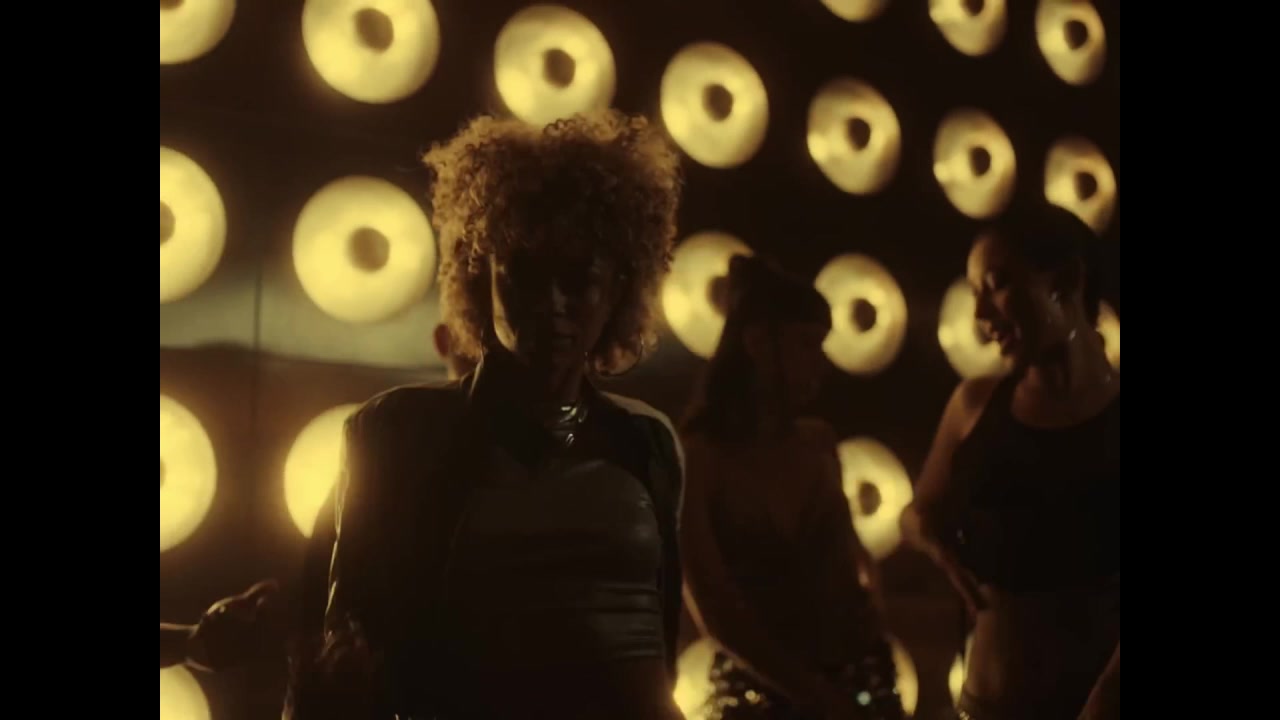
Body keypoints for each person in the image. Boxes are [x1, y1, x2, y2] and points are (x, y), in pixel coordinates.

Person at [314, 110, 685, 719]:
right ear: (478, 272)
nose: (552, 303)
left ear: (619, 288)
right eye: (526, 274)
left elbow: (662, 643)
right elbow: (347, 642)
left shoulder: (647, 440)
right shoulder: (400, 431)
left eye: (579, 279)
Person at [899, 203, 1120, 720]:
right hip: (988, 702)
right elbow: (916, 512)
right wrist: (934, 543)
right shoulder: (975, 405)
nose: (980, 317)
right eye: (975, 292)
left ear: (1065, 281)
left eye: (996, 285)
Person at [680, 255, 903, 720]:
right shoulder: (699, 458)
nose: (820, 364)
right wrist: (813, 695)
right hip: (759, 696)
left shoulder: (818, 442)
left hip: (857, 678)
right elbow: (714, 606)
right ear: (758, 343)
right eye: (806, 344)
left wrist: (870, 604)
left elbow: (852, 550)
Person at [160, 580, 282, 670]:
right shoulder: (254, 626)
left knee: (181, 648)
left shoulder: (245, 610)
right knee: (181, 651)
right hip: (210, 655)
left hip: (206, 648)